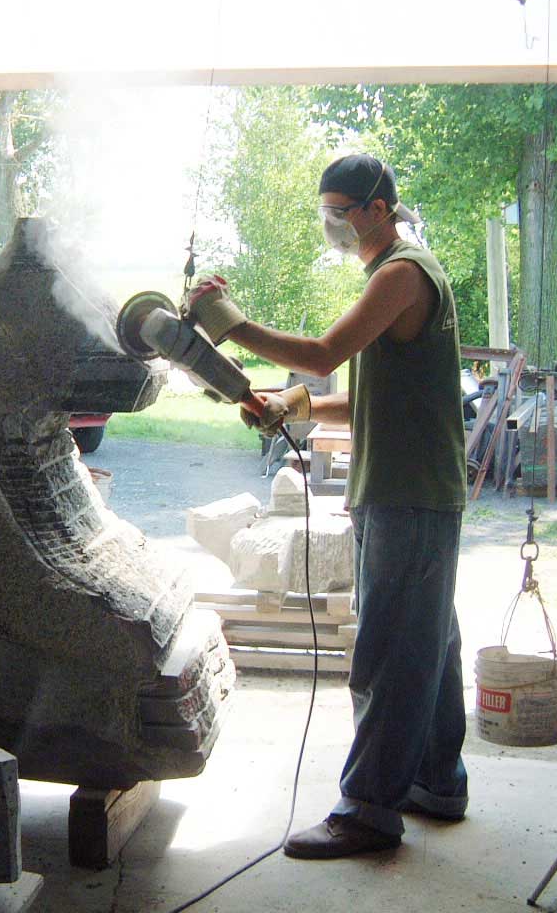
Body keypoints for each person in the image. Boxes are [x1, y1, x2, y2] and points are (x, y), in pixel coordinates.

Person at [187, 154, 468, 859]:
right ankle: (436, 782)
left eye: (340, 212)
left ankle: (369, 811)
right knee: (429, 642)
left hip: (409, 494)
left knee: (389, 651)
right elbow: (367, 396)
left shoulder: (402, 274)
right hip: (409, 491)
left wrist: (228, 323)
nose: (331, 224)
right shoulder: (397, 274)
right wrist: (295, 405)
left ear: (379, 209)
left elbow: (321, 353)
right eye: (326, 212)